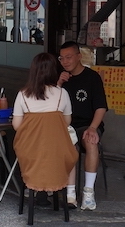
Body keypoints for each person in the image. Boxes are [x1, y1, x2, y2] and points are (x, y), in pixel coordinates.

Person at [12, 52, 78, 197]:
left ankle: (34, 187)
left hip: (30, 153)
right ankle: (69, 193)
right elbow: (66, 122)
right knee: (71, 147)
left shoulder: (22, 94)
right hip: (56, 152)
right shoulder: (62, 94)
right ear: (53, 71)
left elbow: (17, 126)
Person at [57, 40, 108, 210]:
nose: (65, 62)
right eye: (62, 58)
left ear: (79, 57)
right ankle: (70, 194)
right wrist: (58, 85)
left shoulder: (92, 77)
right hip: (66, 126)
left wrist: (93, 128)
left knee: (91, 142)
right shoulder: (61, 78)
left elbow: (101, 107)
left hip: (88, 124)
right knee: (69, 145)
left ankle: (88, 192)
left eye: (69, 57)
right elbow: (52, 104)